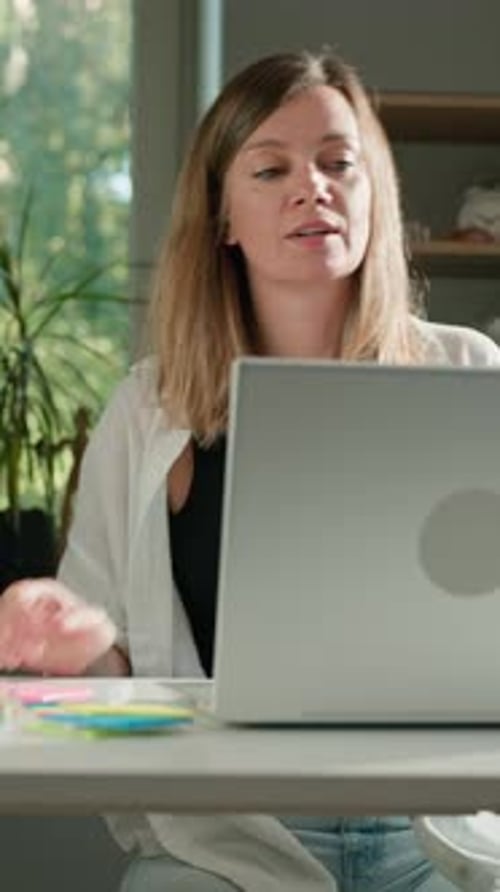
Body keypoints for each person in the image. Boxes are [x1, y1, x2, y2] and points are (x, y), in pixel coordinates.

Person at [1, 48, 499, 892]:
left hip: (436, 826)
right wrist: (73, 642)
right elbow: (110, 673)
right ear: (223, 216)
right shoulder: (147, 408)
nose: (315, 187)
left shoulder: (472, 373)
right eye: (271, 169)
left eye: (340, 163)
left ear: (375, 194)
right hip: (228, 836)